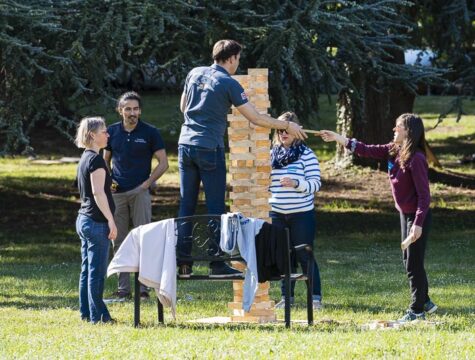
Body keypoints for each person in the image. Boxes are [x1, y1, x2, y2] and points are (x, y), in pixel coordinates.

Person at [177, 39, 307, 278]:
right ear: (231, 58)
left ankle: (183, 262)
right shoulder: (229, 83)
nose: (238, 63)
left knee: (187, 204)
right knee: (216, 205)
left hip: (185, 144)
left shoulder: (194, 73)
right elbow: (256, 119)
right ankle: (216, 264)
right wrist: (286, 124)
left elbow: (183, 106)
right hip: (209, 147)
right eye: (238, 59)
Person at [320, 113, 438, 322]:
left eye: (398, 127)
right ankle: (425, 301)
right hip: (405, 214)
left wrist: (417, 225)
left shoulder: (416, 159)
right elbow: (366, 149)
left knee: (413, 263)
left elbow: (424, 196)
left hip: (417, 216)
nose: (394, 130)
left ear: (409, 131)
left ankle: (417, 310)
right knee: (409, 260)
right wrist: (338, 137)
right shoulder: (394, 150)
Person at [104, 91, 169, 300]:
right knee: (119, 240)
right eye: (128, 109)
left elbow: (164, 162)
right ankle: (123, 289)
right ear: (120, 111)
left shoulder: (150, 132)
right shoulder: (111, 132)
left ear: (140, 111)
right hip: (117, 194)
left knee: (144, 239)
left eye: (135, 109)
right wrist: (108, 181)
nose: (132, 113)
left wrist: (147, 184)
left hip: (140, 192)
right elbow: (105, 160)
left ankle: (143, 288)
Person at [268, 112, 323, 310]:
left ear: (297, 131)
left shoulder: (307, 154)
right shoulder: (270, 154)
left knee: (304, 255)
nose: (284, 133)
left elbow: (316, 184)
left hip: (302, 214)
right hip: (277, 214)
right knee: (284, 257)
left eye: (288, 130)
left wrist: (296, 183)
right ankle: (287, 297)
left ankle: (315, 297)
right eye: (281, 129)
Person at [75, 116, 117, 324]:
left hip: (84, 219)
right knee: (96, 272)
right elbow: (98, 193)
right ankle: (99, 316)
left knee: (87, 269)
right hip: (95, 221)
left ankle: (86, 312)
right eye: (104, 132)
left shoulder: (85, 157)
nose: (108, 135)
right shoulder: (96, 160)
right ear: (93, 135)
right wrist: (111, 219)